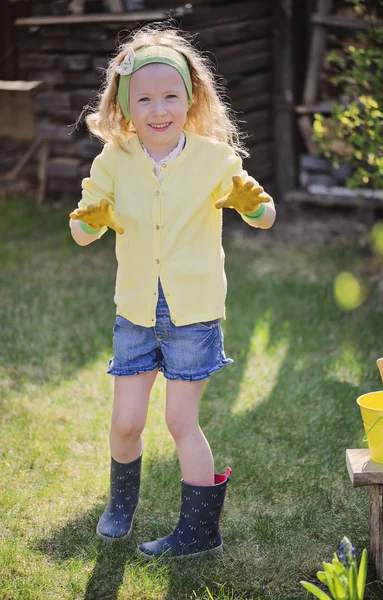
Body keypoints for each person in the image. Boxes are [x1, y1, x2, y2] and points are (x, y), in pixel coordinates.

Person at [69, 23, 276, 559]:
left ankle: (200, 531)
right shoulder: (114, 161)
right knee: (126, 421)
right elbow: (82, 232)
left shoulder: (214, 159)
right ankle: (121, 503)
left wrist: (252, 202)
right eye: (144, 99)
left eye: (170, 96)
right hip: (136, 311)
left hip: (193, 314)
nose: (158, 109)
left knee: (181, 420)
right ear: (123, 107)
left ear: (190, 98)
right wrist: (91, 218)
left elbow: (265, 216)